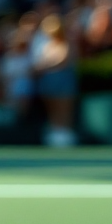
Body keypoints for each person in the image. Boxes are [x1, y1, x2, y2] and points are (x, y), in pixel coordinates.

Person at [34, 14, 77, 147]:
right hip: (48, 80)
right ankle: (56, 132)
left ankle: (66, 134)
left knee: (64, 107)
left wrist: (46, 66)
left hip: (63, 79)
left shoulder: (67, 43)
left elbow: (63, 61)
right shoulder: (47, 45)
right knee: (52, 108)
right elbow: (42, 61)